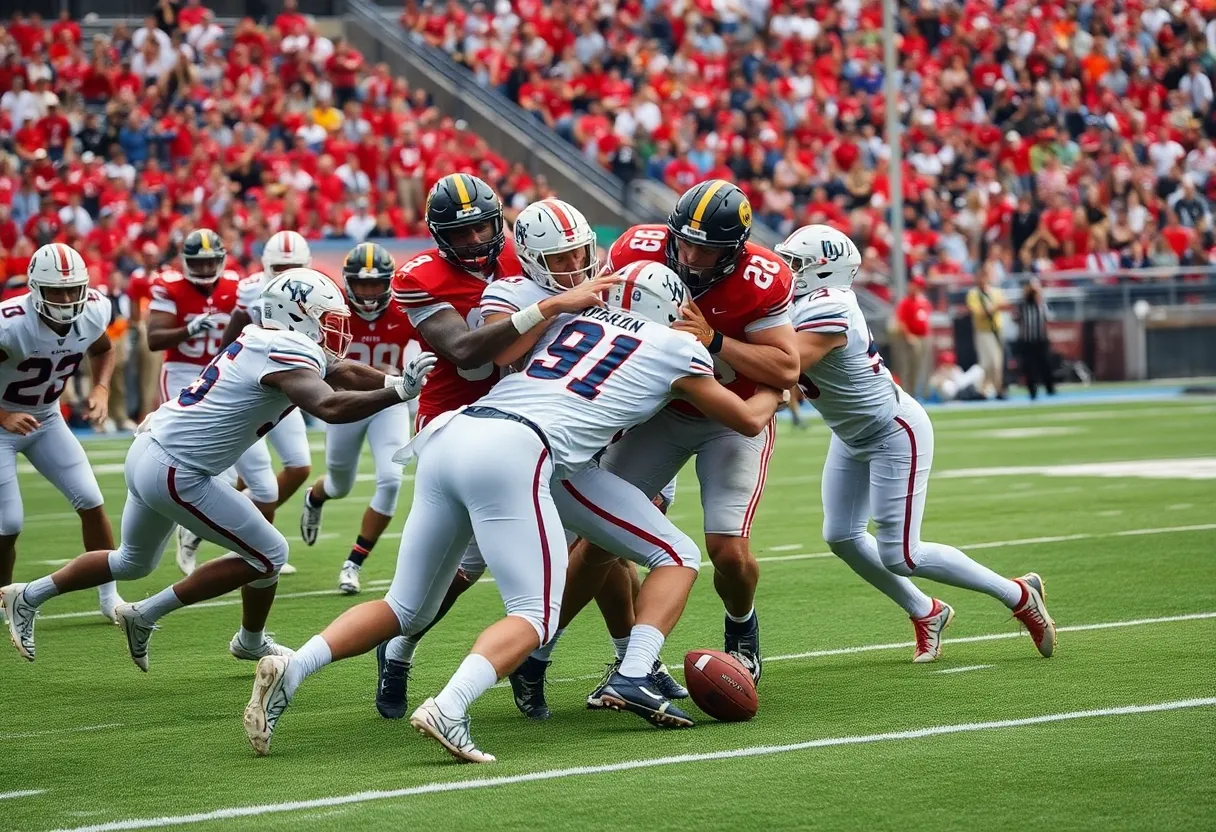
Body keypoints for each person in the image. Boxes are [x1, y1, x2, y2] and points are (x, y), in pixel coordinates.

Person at [243, 261, 784, 762]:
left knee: (405, 606)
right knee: (536, 613)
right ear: (671, 307)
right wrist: (776, 391)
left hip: (455, 434)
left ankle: (294, 666)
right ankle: (453, 705)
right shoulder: (675, 346)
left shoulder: (576, 320)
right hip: (520, 451)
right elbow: (743, 420)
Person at [2, 268, 436, 667]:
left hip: (152, 450)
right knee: (270, 554)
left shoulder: (263, 337)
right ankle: (152, 615)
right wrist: (397, 396)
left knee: (132, 561)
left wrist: (395, 381)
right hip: (178, 469)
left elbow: (341, 370)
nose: (335, 329)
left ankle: (29, 595)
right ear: (296, 315)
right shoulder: (286, 348)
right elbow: (329, 404)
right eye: (327, 318)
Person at [525, 180, 797, 702]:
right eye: (684, 241)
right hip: (660, 411)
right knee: (600, 540)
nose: (690, 256)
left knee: (728, 550)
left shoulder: (761, 279)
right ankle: (537, 652)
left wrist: (715, 340)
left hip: (728, 413)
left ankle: (741, 623)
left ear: (735, 250)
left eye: (706, 248)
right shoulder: (637, 247)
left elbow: (786, 366)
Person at [776, 225, 1056, 663]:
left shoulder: (831, 305)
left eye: (795, 265)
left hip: (893, 431)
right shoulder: (800, 303)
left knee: (902, 554)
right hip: (851, 432)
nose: (785, 271)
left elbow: (782, 364)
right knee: (842, 536)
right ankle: (926, 611)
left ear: (823, 271)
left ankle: (1017, 593)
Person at [0, 244, 123, 623]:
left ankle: (109, 594)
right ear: (36, 288)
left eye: (74, 289)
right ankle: (4, 596)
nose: (68, 299)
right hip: (2, 425)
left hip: (47, 418)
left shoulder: (94, 310)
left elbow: (104, 349)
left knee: (90, 498)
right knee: (9, 522)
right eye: (57, 290)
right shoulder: (11, 324)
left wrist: (101, 387)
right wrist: (3, 414)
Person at [147, 229, 280, 576]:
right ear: (186, 261)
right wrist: (187, 331)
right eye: (199, 262)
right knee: (209, 468)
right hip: (183, 376)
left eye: (211, 261)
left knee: (265, 486)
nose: (206, 268)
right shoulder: (168, 286)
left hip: (227, 380)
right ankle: (197, 531)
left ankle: (248, 546)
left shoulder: (237, 284)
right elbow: (153, 339)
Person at [297, 243, 418, 595]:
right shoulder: (333, 311)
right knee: (339, 484)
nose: (368, 293)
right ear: (348, 283)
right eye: (361, 285)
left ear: (388, 283)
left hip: (389, 401)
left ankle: (353, 563)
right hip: (345, 403)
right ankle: (317, 496)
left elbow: (430, 345)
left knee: (392, 479)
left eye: (374, 284)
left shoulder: (404, 308)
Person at [220, 230, 316, 508]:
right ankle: (239, 533)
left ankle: (229, 526)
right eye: (280, 268)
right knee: (257, 481)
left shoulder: (316, 290)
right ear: (266, 266)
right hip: (252, 386)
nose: (287, 275)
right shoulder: (250, 289)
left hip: (289, 387)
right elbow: (230, 343)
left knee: (298, 467)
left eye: (294, 268)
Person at [965, 262, 1009, 399]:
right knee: (987, 363)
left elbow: (1005, 304)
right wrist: (992, 308)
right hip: (983, 331)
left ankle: (992, 388)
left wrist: (992, 308)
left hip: (996, 330)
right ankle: (988, 389)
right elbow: (978, 312)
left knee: (997, 362)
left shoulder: (995, 291)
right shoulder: (973, 294)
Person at [892, 276, 932, 399]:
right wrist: (909, 335)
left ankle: (920, 393)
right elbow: (901, 321)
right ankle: (907, 394)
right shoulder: (906, 302)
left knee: (921, 366)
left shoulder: (924, 302)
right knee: (908, 367)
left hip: (923, 337)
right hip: (910, 339)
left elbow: (925, 319)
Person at [1017, 279, 1055, 400]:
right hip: (1027, 340)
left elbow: (1048, 319)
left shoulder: (1041, 305)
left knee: (1045, 364)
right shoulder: (1022, 305)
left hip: (1040, 339)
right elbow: (1016, 319)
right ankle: (1032, 390)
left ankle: (1050, 388)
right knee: (1029, 367)